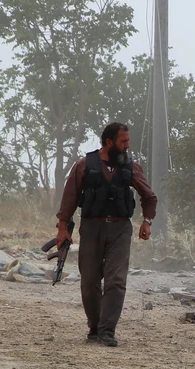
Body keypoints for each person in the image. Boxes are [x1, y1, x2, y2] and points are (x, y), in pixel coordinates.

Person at [55, 122, 158, 347]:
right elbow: (70, 197)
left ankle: (107, 330)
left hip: (120, 229)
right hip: (92, 228)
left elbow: (149, 197)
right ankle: (95, 326)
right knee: (90, 280)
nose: (127, 146)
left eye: (128, 141)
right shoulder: (84, 165)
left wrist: (147, 222)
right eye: (123, 141)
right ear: (109, 142)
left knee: (116, 280)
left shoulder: (132, 167)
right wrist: (62, 229)